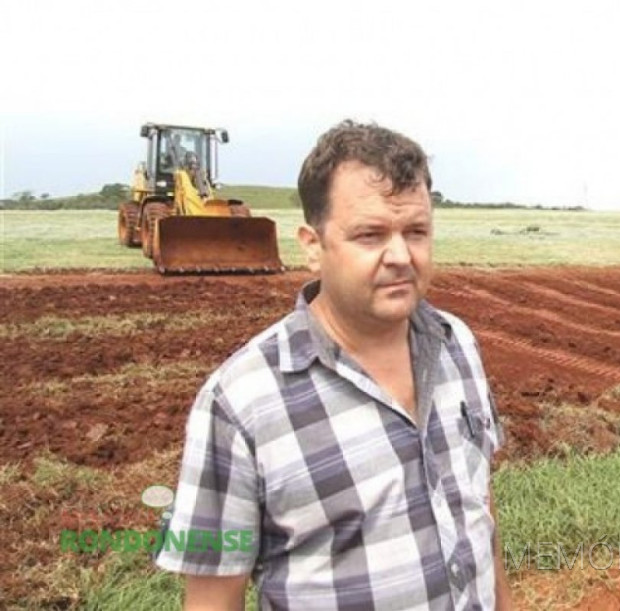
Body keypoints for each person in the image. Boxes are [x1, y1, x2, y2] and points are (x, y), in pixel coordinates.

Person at [155, 119, 511, 611]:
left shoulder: (458, 345)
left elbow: (479, 515)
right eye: (370, 235)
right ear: (312, 246)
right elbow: (213, 597)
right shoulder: (240, 401)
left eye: (417, 231)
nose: (401, 256)